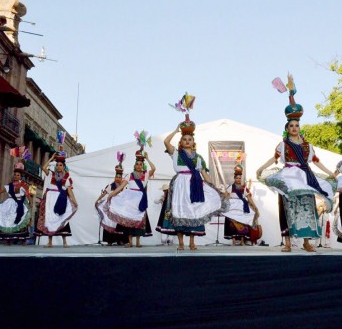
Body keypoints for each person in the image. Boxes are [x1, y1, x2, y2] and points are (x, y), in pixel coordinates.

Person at [256, 76, 335, 252]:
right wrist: (262, 167)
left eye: (296, 125)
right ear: (287, 128)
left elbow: (317, 162)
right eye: (291, 125)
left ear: (300, 128)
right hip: (288, 176)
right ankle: (288, 243)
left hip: (305, 176)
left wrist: (330, 173)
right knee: (286, 207)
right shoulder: (283, 145)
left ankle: (307, 242)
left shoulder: (308, 146)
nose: (294, 128)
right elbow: (274, 159)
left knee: (307, 207)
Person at [162, 100, 225, 251]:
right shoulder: (176, 154)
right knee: (179, 210)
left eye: (189, 139)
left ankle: (192, 241)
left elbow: (204, 174)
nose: (187, 141)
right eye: (184, 139)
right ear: (181, 142)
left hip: (194, 185)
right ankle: (181, 242)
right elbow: (165, 141)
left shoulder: (199, 158)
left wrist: (215, 188)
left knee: (194, 210)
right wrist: (176, 130)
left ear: (193, 141)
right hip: (180, 185)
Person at [102, 148, 156, 248]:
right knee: (130, 220)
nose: (139, 166)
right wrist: (111, 195)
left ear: (143, 165)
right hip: (130, 201)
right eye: (137, 164)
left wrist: (147, 159)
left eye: (141, 164)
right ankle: (130, 242)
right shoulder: (129, 176)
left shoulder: (145, 175)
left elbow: (153, 168)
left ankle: (138, 242)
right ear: (134, 165)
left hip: (140, 200)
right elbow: (120, 188)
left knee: (139, 221)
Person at [35, 147, 79, 247]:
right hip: (50, 199)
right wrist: (51, 158)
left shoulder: (67, 177)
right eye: (57, 165)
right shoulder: (52, 174)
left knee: (62, 217)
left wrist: (75, 201)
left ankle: (65, 242)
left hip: (61, 198)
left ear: (64, 167)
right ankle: (50, 242)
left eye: (60, 165)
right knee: (49, 218)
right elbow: (43, 168)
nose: (58, 167)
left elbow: (69, 190)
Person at [0, 161, 34, 245]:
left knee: (22, 219)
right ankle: (8, 239)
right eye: (15, 175)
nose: (16, 176)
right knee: (8, 220)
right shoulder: (9, 185)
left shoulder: (23, 185)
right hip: (10, 203)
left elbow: (27, 195)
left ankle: (23, 239)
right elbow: (0, 191)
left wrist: (31, 203)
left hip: (20, 203)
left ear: (20, 176)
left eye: (18, 175)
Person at [222, 165, 259, 246]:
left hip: (241, 206)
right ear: (234, 179)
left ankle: (242, 240)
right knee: (232, 223)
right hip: (233, 206)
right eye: (237, 178)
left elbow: (249, 198)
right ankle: (234, 241)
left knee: (242, 222)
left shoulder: (244, 188)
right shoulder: (231, 187)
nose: (238, 179)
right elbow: (225, 195)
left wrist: (255, 207)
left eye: (239, 178)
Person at [94, 155, 127, 246]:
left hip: (120, 207)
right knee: (110, 221)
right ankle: (110, 240)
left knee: (119, 222)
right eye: (117, 177)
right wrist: (98, 200)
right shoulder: (111, 186)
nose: (118, 178)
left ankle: (120, 240)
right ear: (114, 177)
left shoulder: (124, 186)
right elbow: (104, 193)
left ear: (122, 178)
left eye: (120, 177)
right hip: (111, 206)